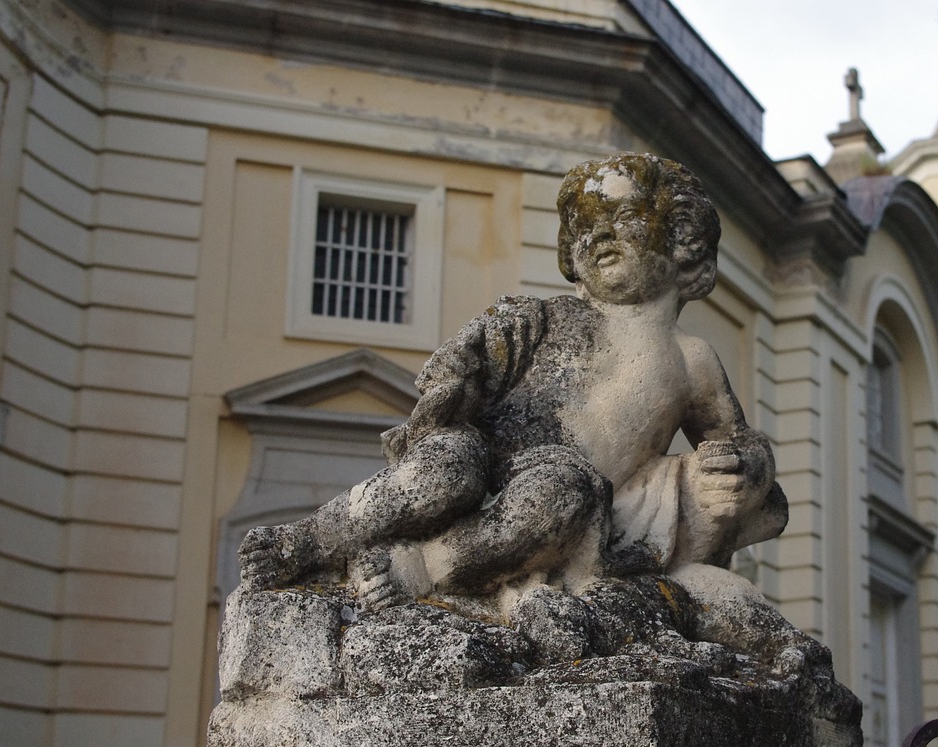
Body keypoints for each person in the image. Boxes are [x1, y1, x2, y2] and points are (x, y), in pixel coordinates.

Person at [238, 153, 788, 630]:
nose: (598, 235)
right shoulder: (541, 318)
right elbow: (463, 374)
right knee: (442, 469)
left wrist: (738, 467)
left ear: (683, 240)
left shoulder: (692, 360)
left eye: (622, 217)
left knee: (557, 494)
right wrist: (459, 375)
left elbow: (739, 447)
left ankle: (424, 567)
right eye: (584, 227)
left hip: (562, 490)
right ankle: (311, 541)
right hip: (481, 454)